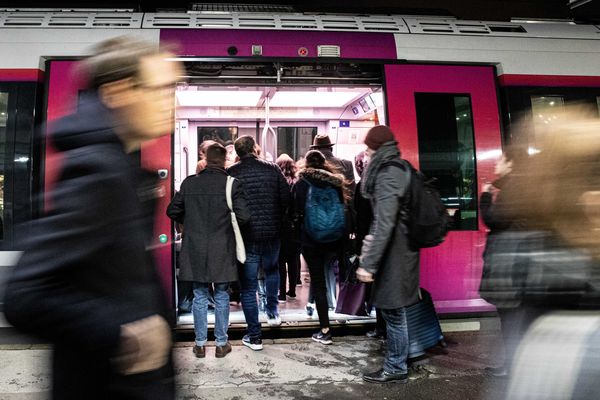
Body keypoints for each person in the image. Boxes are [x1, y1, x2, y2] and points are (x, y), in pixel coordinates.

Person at [3, 37, 183, 399]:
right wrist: (121, 332)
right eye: (161, 90)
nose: (171, 102)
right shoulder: (100, 172)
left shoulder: (124, 167)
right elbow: (25, 294)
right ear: (119, 92)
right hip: (108, 384)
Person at [166, 143, 250, 358]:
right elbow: (244, 217)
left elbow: (172, 210)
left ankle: (200, 345)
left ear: (205, 158)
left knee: (199, 295)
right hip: (222, 247)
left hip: (195, 247)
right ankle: (221, 344)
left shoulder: (190, 183)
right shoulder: (232, 185)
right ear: (223, 160)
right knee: (222, 295)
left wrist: (191, 221)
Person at [356, 125, 419, 384]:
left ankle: (396, 366)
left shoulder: (388, 173)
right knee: (395, 310)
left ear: (377, 148)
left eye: (369, 148)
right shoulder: (398, 166)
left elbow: (385, 223)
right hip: (399, 250)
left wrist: (368, 264)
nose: (366, 153)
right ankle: (399, 360)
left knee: (394, 312)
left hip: (395, 253)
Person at [227, 135, 290, 350]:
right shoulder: (273, 169)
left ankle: (254, 336)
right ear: (254, 148)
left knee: (248, 285)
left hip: (246, 236)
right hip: (272, 232)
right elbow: (286, 199)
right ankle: (272, 313)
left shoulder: (232, 173)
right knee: (272, 271)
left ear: (237, 152)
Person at [478, 146, 528, 377]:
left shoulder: (515, 188)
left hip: (511, 260)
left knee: (509, 316)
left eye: (501, 159)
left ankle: (513, 366)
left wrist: (486, 196)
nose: (497, 163)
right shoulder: (520, 185)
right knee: (512, 315)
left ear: (511, 163)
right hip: (516, 258)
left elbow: (495, 219)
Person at [292, 150, 349, 344]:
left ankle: (325, 329)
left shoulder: (301, 184)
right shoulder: (336, 184)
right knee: (328, 276)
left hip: (311, 239)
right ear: (325, 164)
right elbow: (344, 211)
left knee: (318, 282)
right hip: (333, 238)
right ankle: (320, 306)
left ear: (305, 164)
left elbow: (296, 212)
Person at [276, 153, 301, 301]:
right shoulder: (297, 182)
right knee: (293, 259)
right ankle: (292, 289)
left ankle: (281, 292)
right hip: (294, 226)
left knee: (280, 261)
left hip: (281, 226)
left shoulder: (278, 182)